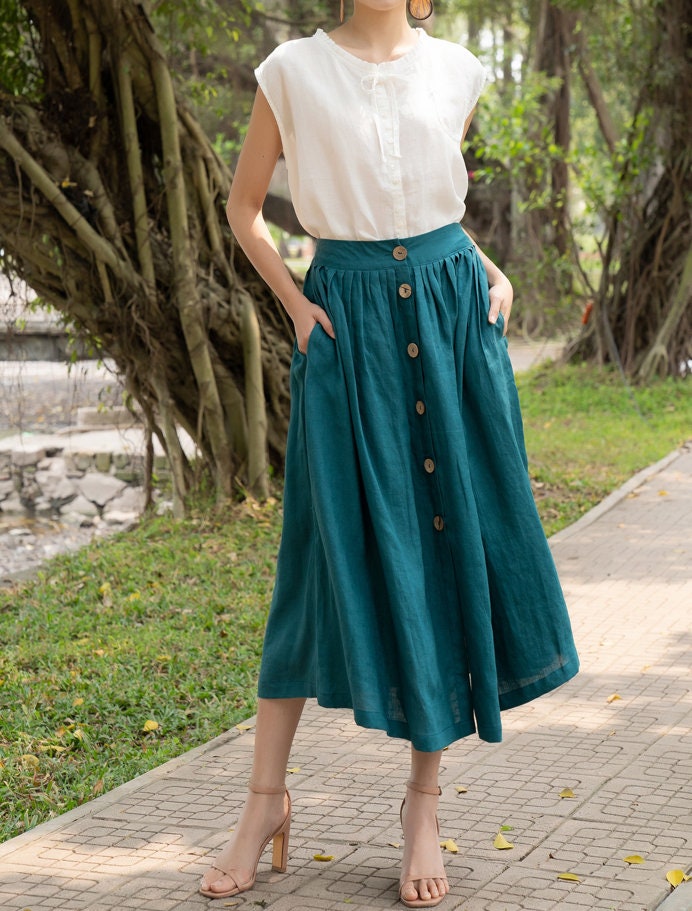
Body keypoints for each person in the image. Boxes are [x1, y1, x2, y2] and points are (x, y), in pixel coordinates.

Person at [199, 0, 579, 906]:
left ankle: (423, 805)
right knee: (312, 560)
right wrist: (296, 306)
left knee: (446, 550)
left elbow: (421, 191)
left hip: (453, 326)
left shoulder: (456, 70)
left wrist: (488, 263)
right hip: (348, 325)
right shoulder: (289, 69)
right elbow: (244, 209)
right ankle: (264, 801)